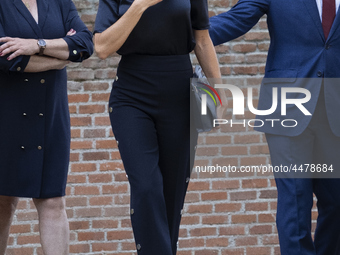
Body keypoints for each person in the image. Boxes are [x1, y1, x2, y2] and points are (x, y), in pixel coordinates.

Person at [93, 0, 227, 254]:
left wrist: (220, 92)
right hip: (132, 95)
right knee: (146, 186)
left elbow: (202, 39)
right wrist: (140, 4)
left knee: (172, 194)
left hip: (179, 92)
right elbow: (101, 47)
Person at [208, 0, 340, 254]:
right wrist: (182, 29)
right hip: (287, 110)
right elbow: (236, 19)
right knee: (295, 205)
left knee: (336, 206)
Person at [0, 0, 93, 254]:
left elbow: (85, 44)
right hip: (6, 114)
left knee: (53, 200)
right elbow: (6, 60)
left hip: (50, 115)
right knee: (3, 201)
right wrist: (61, 57)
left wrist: (37, 46)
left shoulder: (60, 2)